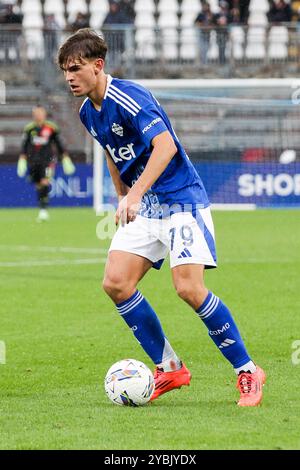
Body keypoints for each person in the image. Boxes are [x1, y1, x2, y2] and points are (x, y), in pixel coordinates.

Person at [58, 28, 266, 406]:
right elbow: (111, 149)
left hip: (182, 200)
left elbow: (165, 145)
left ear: (98, 65)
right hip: (147, 208)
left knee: (188, 288)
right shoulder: (88, 111)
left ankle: (248, 371)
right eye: (65, 71)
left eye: (75, 68)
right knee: (116, 282)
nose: (69, 77)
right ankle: (169, 366)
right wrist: (121, 194)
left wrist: (134, 193)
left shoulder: (129, 96)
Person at [17, 105, 75, 222]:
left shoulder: (51, 128)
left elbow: (59, 144)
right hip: (33, 161)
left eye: (40, 113)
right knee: (39, 184)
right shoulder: (29, 129)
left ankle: (43, 210)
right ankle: (42, 208)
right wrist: (22, 159)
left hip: (48, 161)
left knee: (45, 182)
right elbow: (24, 145)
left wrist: (65, 158)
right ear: (33, 114)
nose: (38, 115)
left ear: (44, 114)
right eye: (36, 113)